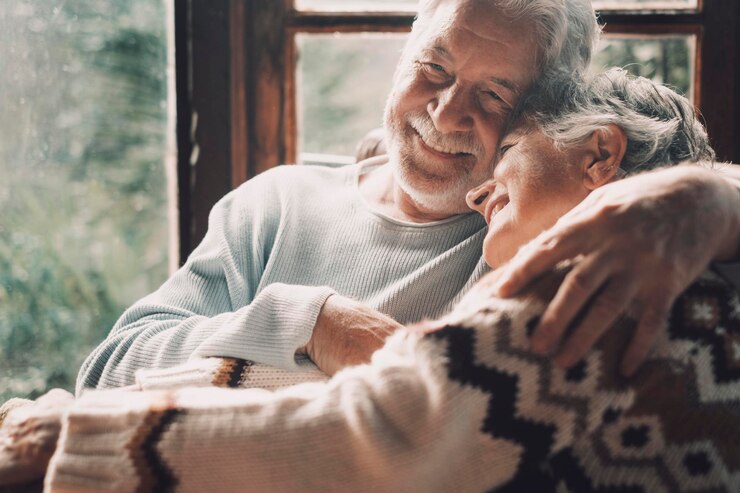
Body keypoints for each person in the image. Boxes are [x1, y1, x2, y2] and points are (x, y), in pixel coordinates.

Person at [5, 69, 738, 493]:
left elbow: (368, 436)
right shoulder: (709, 273)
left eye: (507, 142)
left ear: (601, 154)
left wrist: (67, 435)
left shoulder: (580, 297)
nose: (480, 194)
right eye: (433, 70)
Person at [77, 0, 740, 396]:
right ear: (403, 53)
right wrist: (310, 322)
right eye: (434, 67)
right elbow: (106, 372)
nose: (446, 110)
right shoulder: (274, 204)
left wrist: (706, 198)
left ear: (535, 116)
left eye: (492, 96)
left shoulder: (528, 234)